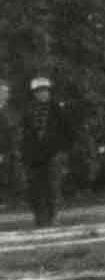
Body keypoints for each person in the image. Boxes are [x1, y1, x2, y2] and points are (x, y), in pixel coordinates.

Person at [17, 75, 76, 229]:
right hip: (33, 155)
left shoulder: (58, 109)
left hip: (53, 153)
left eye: (45, 91)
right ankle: (40, 217)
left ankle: (54, 216)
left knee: (53, 186)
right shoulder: (28, 111)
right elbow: (24, 133)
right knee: (35, 188)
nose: (42, 94)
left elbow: (69, 131)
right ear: (34, 93)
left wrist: (63, 150)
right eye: (39, 91)